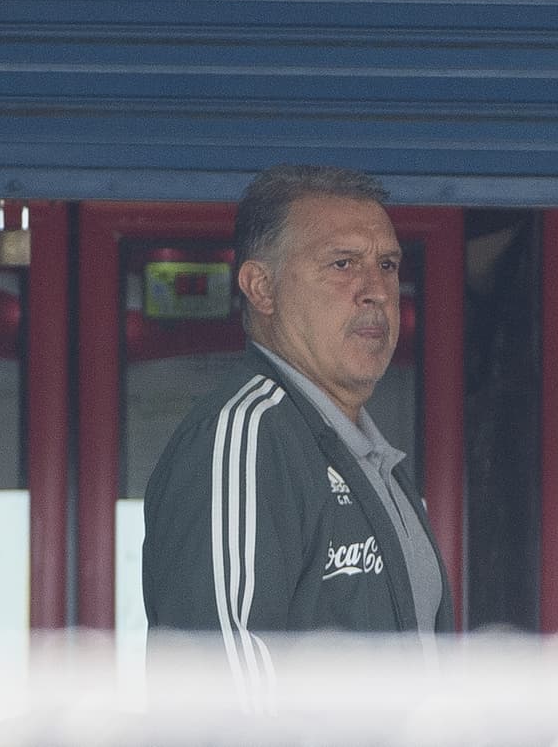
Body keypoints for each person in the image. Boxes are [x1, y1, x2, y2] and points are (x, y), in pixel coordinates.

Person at [142, 165, 454, 696]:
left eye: (386, 265)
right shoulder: (246, 433)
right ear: (262, 287)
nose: (376, 291)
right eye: (342, 264)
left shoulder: (377, 463)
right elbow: (217, 693)